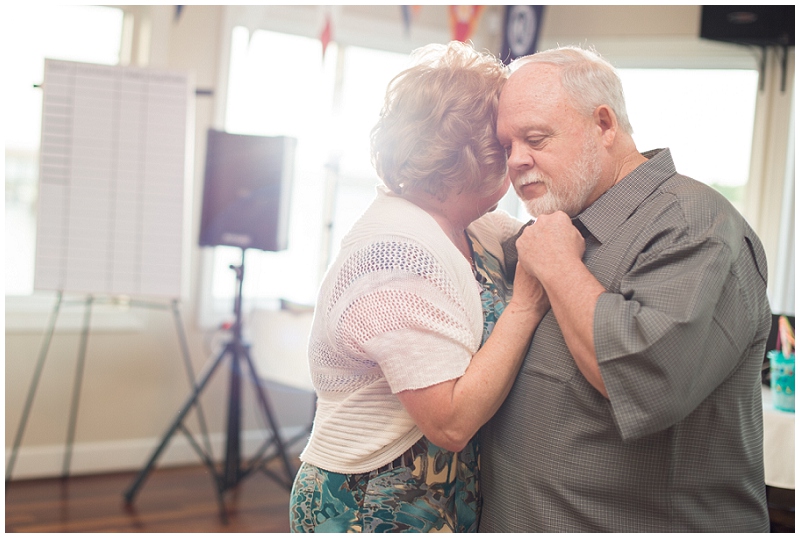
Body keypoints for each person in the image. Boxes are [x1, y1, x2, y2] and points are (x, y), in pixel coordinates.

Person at [479, 46, 772, 533]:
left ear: (604, 125)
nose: (515, 161)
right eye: (505, 146)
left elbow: (646, 378)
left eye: (534, 138)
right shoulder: (559, 224)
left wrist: (559, 268)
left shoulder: (694, 224)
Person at [289, 41, 549, 533]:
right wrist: (527, 305)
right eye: (508, 142)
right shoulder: (393, 257)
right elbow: (448, 423)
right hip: (368, 502)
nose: (520, 158)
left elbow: (546, 244)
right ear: (478, 157)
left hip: (444, 494)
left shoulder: (473, 225)